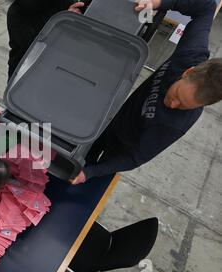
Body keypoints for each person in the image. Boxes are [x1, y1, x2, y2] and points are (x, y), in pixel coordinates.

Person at [72, 0, 222, 185]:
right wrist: (159, 2)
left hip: (124, 146)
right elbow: (206, 7)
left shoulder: (174, 125)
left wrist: (90, 173)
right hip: (114, 116)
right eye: (177, 96)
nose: (173, 105)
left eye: (184, 106)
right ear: (188, 72)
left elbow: (135, 157)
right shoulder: (190, 55)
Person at [7, 0, 88, 79]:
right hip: (26, 72)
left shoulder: (59, 1)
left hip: (61, 65)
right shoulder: (16, 14)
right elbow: (36, 49)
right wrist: (65, 21)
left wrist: (77, 13)